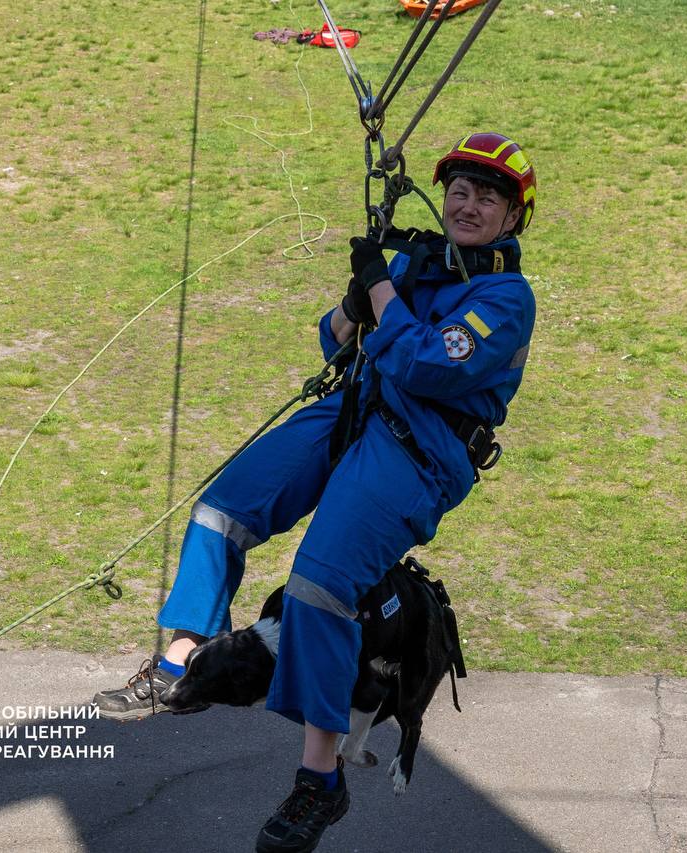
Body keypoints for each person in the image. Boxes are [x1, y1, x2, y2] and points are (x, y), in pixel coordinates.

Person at [94, 131, 537, 853]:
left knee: (318, 590)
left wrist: (385, 288)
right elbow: (336, 340)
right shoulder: (418, 265)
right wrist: (357, 294)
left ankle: (318, 780)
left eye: (489, 196)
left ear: (513, 218)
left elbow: (427, 364)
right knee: (220, 510)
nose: (468, 202)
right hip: (357, 409)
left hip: (419, 446)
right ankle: (178, 661)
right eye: (460, 188)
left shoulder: (505, 297)